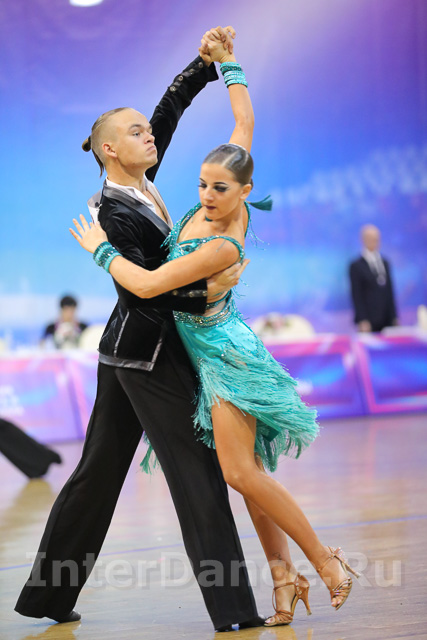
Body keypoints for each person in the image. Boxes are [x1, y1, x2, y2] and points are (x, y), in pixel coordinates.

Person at [71, 29, 361, 628]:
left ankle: (325, 560)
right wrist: (226, 64)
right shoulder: (214, 190)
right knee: (245, 474)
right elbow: (243, 124)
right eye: (202, 183)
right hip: (197, 351)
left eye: (219, 188)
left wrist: (99, 250)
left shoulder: (222, 242)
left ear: (245, 193)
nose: (205, 195)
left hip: (222, 356)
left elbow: (147, 285)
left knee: (238, 473)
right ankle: (284, 582)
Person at [16, 28, 263, 632]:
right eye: (134, 132)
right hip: (147, 355)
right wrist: (207, 289)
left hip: (124, 351)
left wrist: (203, 64)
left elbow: (168, 109)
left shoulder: (143, 178)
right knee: (196, 471)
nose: (148, 134)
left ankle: (48, 599)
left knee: (96, 475)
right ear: (109, 151)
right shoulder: (111, 211)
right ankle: (235, 612)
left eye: (146, 130)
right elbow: (142, 288)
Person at [349, 224, 399, 332]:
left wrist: (394, 316)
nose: (375, 242)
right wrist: (362, 319)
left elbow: (389, 291)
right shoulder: (356, 266)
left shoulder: (385, 262)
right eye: (371, 239)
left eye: (376, 239)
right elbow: (356, 294)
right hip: (368, 319)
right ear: (363, 240)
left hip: (386, 318)